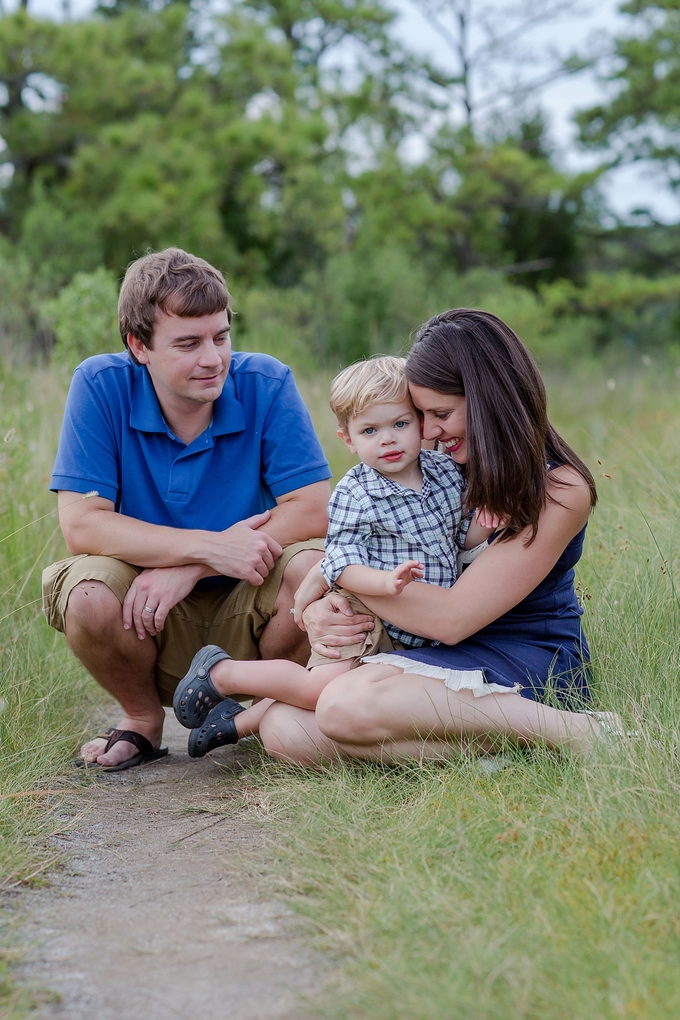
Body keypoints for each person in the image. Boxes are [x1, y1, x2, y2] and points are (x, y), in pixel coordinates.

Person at [253, 308, 617, 765]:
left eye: (441, 413)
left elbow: (450, 619)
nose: (428, 431)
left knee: (345, 706)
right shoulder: (439, 465)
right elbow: (372, 539)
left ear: (489, 402)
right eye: (420, 414)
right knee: (283, 730)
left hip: (528, 653)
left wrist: (338, 576)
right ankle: (501, 749)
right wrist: (326, 597)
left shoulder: (560, 489)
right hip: (449, 653)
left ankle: (580, 729)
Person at [41, 248, 332, 770]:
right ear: (139, 346)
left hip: (249, 602)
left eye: (221, 337)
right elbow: (82, 525)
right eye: (188, 343)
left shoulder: (266, 383)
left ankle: (269, 714)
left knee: (316, 569)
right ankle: (141, 722)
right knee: (87, 594)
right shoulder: (100, 385)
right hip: (147, 614)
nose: (212, 358)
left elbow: (315, 509)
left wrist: (197, 566)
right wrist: (205, 548)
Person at [172, 356, 507, 757]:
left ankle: (234, 725)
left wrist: (484, 526)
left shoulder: (445, 473)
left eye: (400, 424)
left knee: (366, 695)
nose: (388, 439)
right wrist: (382, 585)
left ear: (420, 423)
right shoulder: (355, 493)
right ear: (348, 439)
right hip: (362, 606)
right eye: (370, 430)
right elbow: (342, 563)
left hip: (415, 618)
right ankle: (223, 673)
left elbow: (459, 539)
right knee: (320, 688)